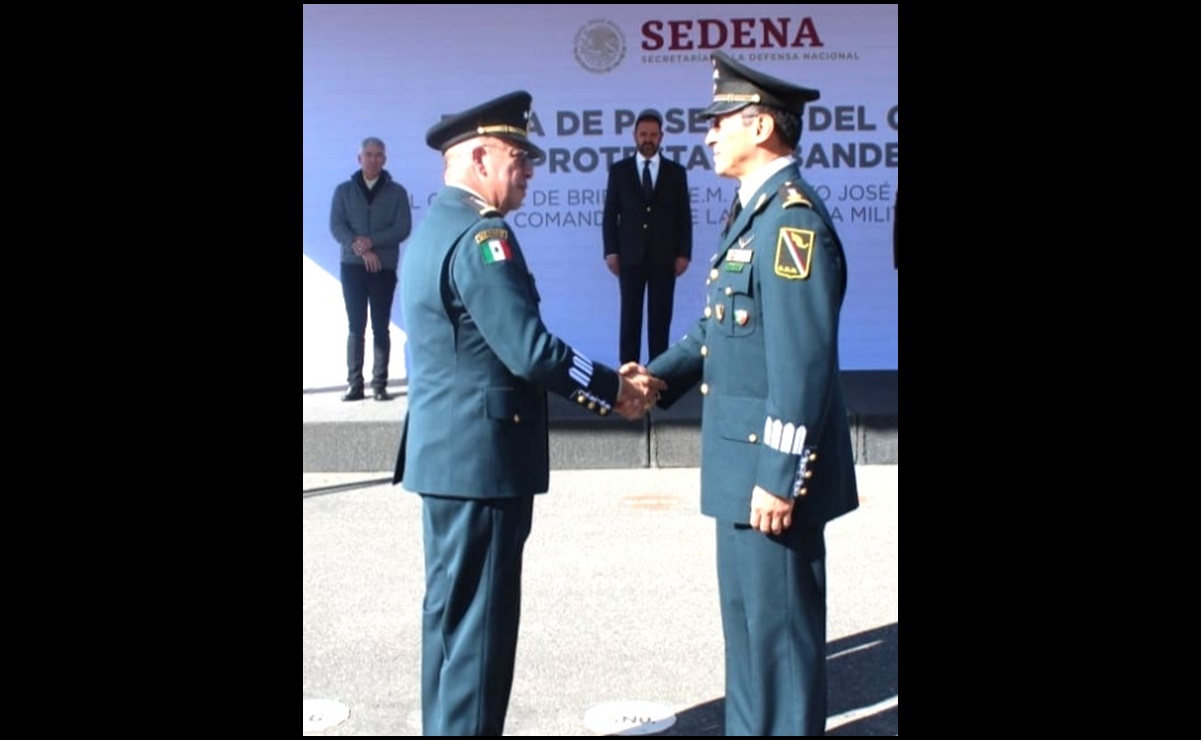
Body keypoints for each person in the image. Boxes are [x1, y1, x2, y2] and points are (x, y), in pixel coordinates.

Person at [391, 90, 664, 737]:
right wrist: (614, 389)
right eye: (519, 156)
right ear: (479, 156)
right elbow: (532, 352)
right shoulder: (482, 237)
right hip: (482, 465)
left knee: (452, 625)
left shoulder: (437, 227)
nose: (530, 170)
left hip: (450, 457)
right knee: (479, 635)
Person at [640, 51, 860, 736]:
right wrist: (656, 377)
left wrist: (778, 478)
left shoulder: (789, 222)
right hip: (741, 471)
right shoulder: (752, 213)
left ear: (760, 124)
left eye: (719, 120)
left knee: (781, 646)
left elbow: (801, 365)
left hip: (770, 478)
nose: (707, 134)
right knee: (748, 642)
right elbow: (715, 331)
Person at [602, 109, 693, 365]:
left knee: (660, 320)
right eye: (643, 134)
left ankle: (657, 379)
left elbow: (683, 215)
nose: (648, 139)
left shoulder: (676, 172)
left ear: (661, 136)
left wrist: (684, 253)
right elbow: (610, 215)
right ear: (635, 136)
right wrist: (611, 251)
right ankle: (629, 382)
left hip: (665, 258)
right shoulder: (619, 171)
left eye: (653, 135)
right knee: (629, 320)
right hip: (629, 257)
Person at [329, 136, 413, 401]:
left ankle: (379, 384)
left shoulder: (396, 191)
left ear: (385, 160)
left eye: (378, 155)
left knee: (380, 326)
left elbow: (402, 228)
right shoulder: (343, 191)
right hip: (352, 266)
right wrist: (359, 247)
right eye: (368, 154)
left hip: (383, 268)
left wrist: (372, 242)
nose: (373, 159)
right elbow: (337, 226)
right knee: (356, 326)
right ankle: (355, 384)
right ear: (359, 158)